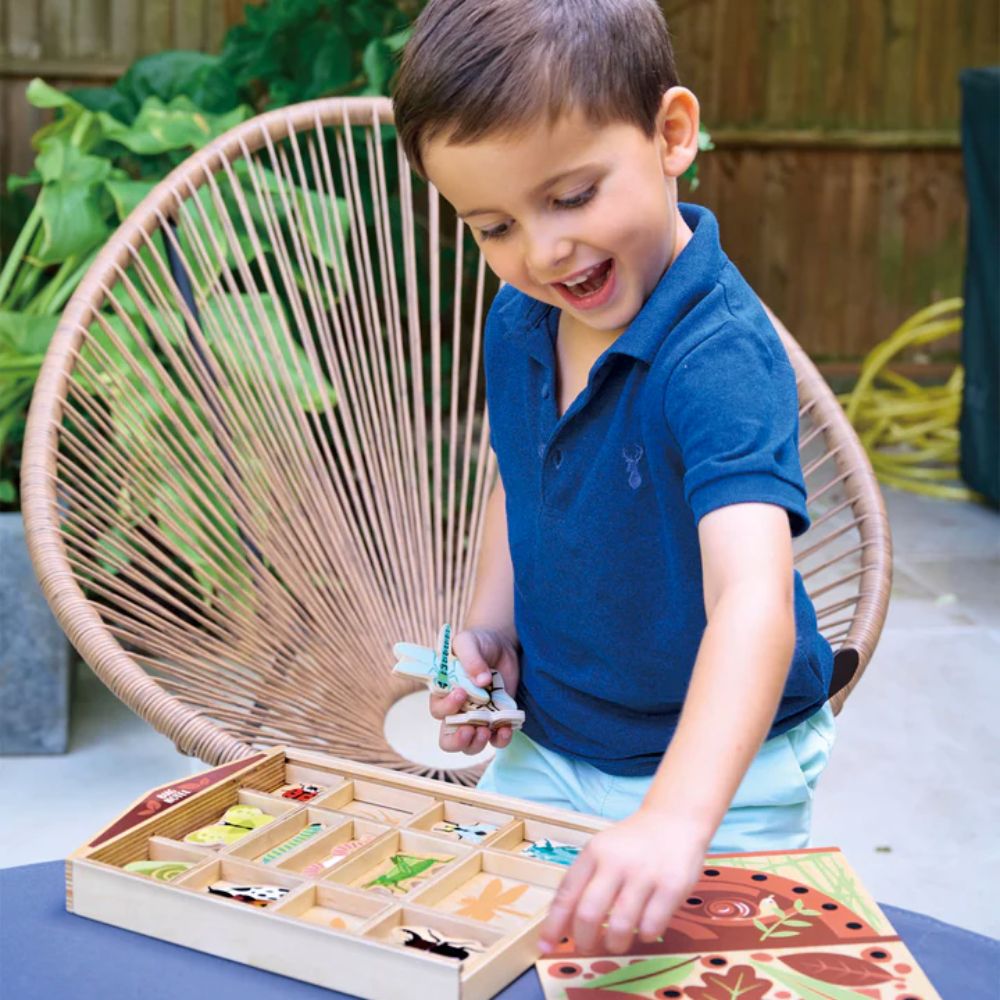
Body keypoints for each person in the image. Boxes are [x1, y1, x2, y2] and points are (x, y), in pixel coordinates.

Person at [392, 0, 836, 957]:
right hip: (550, 745)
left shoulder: (715, 356)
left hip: (723, 774)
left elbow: (752, 596)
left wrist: (677, 819)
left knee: (694, 970)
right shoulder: (519, 321)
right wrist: (487, 636)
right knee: (483, 956)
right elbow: (523, 476)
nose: (542, 252)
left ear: (672, 134)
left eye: (571, 197)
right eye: (493, 224)